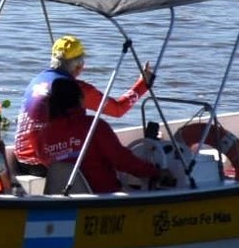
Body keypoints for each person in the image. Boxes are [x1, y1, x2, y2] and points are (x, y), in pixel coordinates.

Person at [13, 35, 155, 175]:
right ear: (79, 65)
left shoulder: (36, 81)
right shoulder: (74, 89)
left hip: (20, 161)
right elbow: (118, 110)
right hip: (47, 164)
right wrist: (142, 84)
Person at [38, 77, 175, 193]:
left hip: (62, 201)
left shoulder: (43, 134)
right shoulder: (93, 126)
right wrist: (155, 172)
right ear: (79, 100)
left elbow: (45, 160)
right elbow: (121, 160)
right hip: (101, 198)